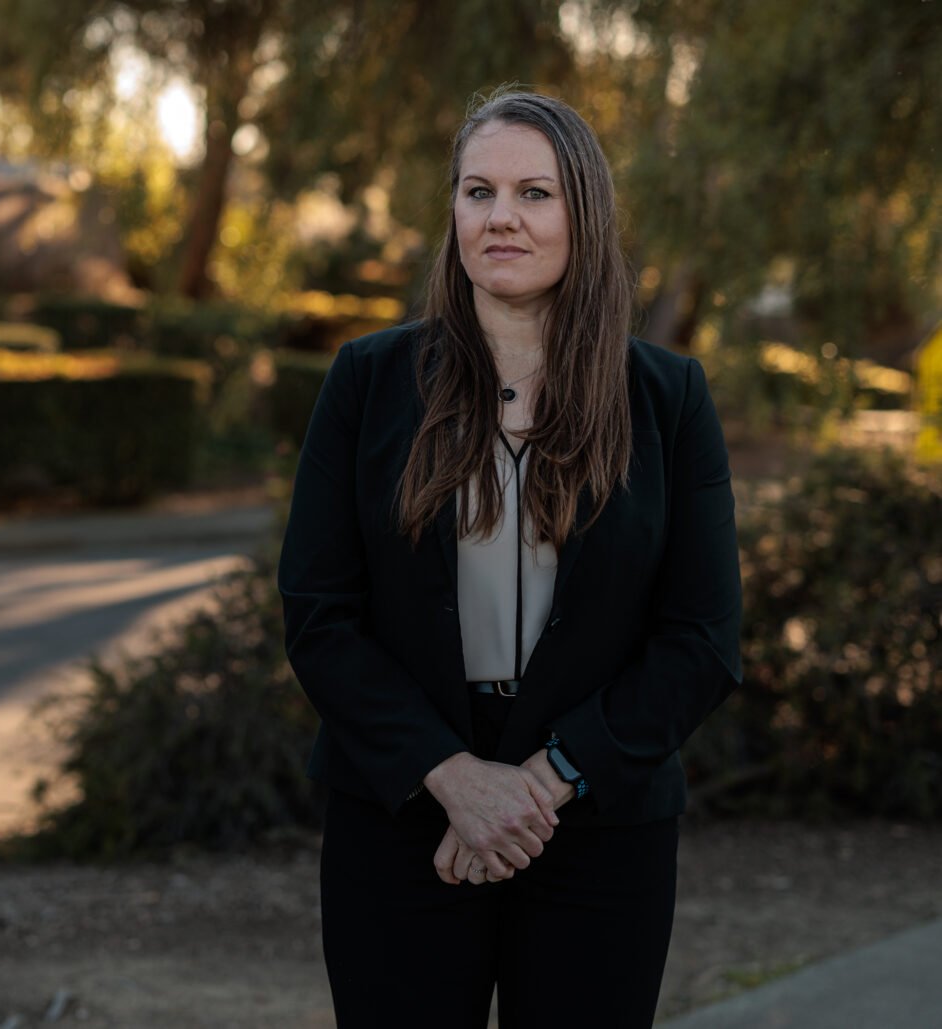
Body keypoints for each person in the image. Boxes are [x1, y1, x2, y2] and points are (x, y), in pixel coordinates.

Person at [277, 88, 743, 1026]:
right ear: (451, 213)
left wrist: (534, 786)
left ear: (584, 211)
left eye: (535, 193)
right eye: (478, 191)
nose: (502, 219)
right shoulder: (368, 382)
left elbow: (703, 638)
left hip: (600, 820)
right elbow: (319, 614)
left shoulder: (667, 395)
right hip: (405, 813)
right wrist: (453, 777)